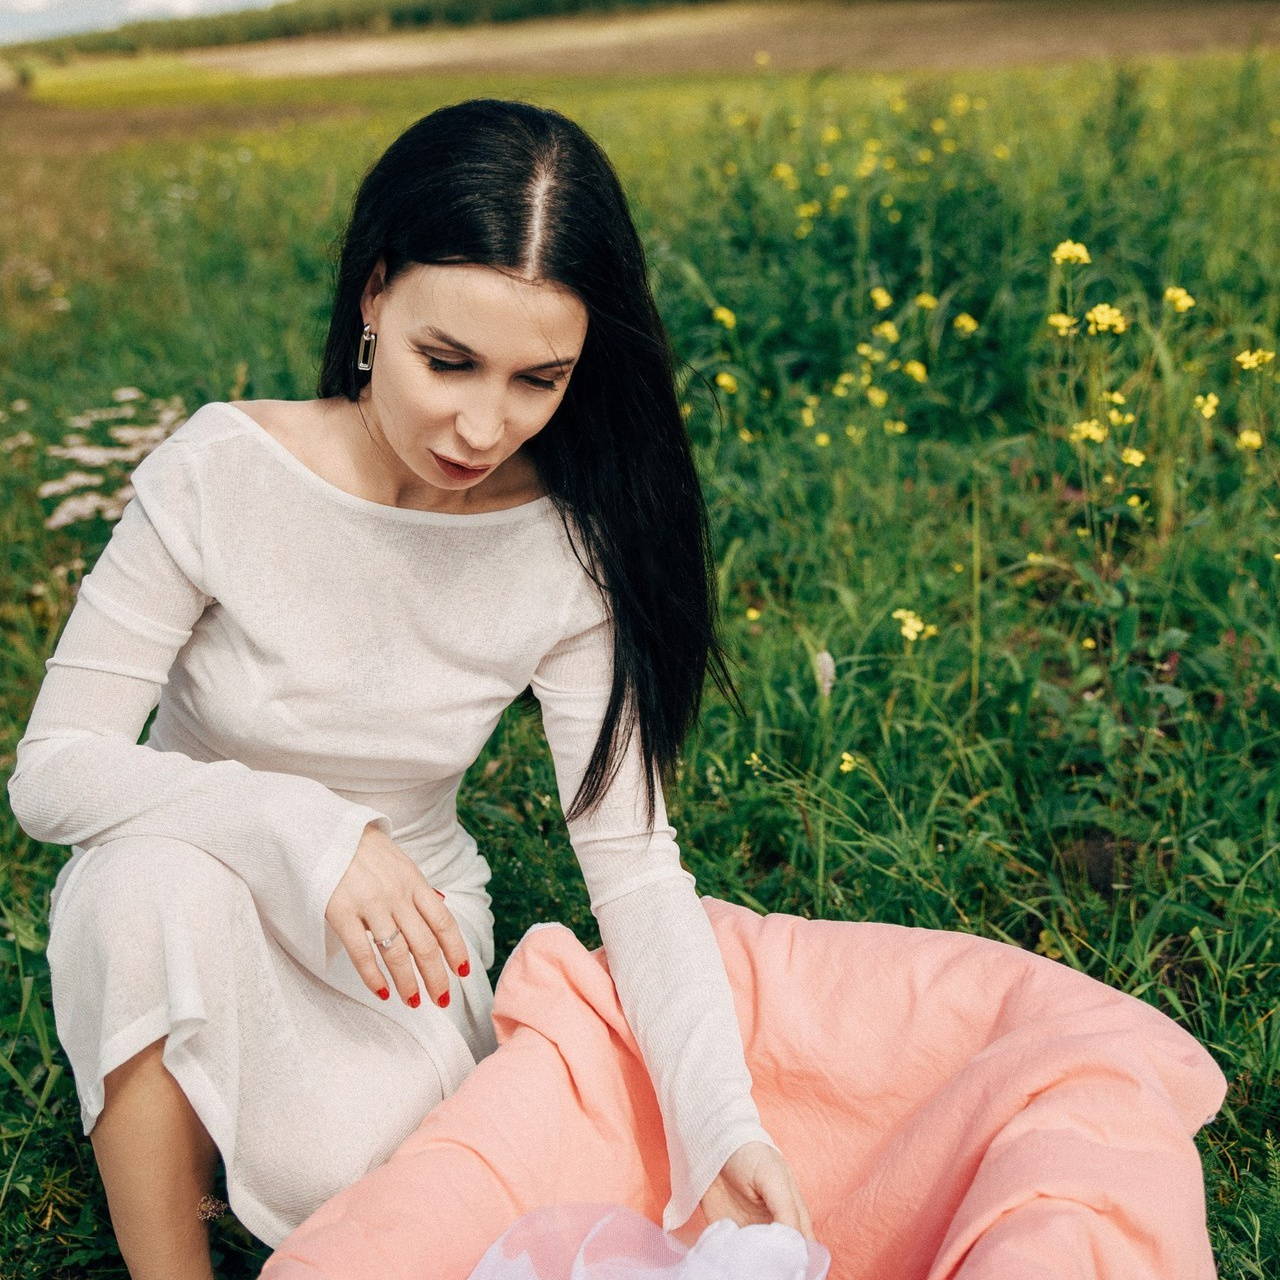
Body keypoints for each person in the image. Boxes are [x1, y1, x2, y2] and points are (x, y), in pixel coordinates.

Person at [7, 99, 814, 1280]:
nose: (481, 426)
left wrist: (721, 1124)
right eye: (448, 362)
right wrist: (305, 825)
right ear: (375, 295)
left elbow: (636, 869)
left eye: (537, 379)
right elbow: (52, 771)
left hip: (403, 944)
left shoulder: (566, 544)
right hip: (194, 879)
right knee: (139, 885)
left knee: (367, 1193)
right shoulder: (223, 471)